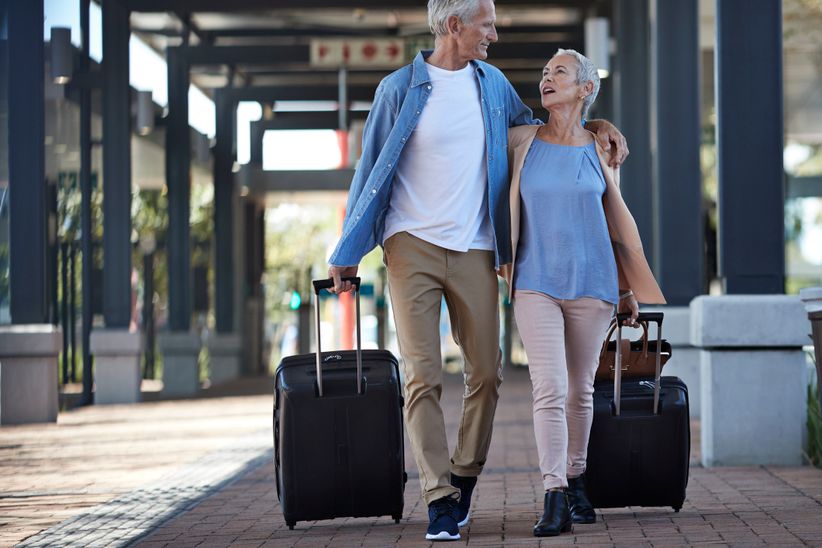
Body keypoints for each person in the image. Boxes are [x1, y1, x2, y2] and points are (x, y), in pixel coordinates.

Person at [327, 1, 628, 541]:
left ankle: (463, 476)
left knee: (486, 374)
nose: (494, 32)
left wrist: (598, 120)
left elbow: (547, 130)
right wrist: (348, 247)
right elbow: (369, 168)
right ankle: (439, 497)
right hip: (409, 244)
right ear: (453, 26)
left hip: (476, 247)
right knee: (422, 375)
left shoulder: (492, 86)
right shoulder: (398, 89)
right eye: (486, 23)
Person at [499, 49, 666, 537]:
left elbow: (612, 226)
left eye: (560, 73)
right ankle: (553, 493)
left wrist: (624, 290)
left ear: (585, 89)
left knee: (580, 391)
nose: (547, 78)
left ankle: (576, 478)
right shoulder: (521, 142)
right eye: (545, 71)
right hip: (535, 283)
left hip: (593, 285)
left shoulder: (603, 150)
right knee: (548, 388)